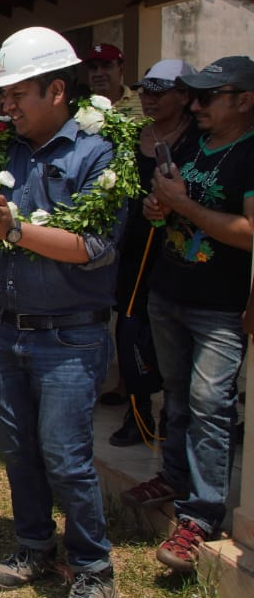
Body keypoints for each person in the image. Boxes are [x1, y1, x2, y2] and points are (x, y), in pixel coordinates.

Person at [0, 26, 123, 598]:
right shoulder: (5, 152)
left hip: (70, 337)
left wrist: (12, 228)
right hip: (6, 329)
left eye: (19, 93)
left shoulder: (98, 154)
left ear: (56, 92)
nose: (7, 104)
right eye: (6, 93)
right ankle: (35, 547)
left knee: (66, 457)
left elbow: (94, 250)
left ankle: (94, 567)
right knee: (18, 451)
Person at [128, 55, 254, 574]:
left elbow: (249, 232)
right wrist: (158, 209)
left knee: (209, 406)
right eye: (194, 96)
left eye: (207, 97)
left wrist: (183, 206)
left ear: (244, 101)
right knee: (176, 394)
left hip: (220, 307)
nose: (196, 105)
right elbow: (167, 206)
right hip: (170, 290)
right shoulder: (196, 144)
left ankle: (199, 515)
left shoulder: (251, 153)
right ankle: (174, 476)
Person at [107, 59, 199, 447]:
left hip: (181, 251)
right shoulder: (131, 137)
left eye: (160, 91)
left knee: (174, 339)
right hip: (133, 247)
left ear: (184, 95)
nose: (149, 98)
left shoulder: (197, 140)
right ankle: (138, 412)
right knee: (129, 329)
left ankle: (175, 421)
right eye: (146, 90)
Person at [85, 43, 144, 120]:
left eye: (106, 66)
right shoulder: (81, 106)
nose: (98, 73)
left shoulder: (143, 103)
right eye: (93, 67)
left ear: (121, 69)